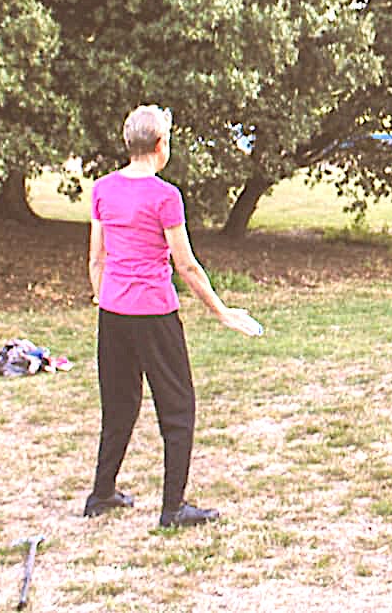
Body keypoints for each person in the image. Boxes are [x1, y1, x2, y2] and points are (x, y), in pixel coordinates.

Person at [84, 105, 264, 527]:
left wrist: (103, 297)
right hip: (153, 314)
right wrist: (221, 311)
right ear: (161, 146)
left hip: (114, 313)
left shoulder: (103, 188)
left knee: (119, 403)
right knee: (178, 406)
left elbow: (97, 258)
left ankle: (101, 493)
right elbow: (187, 266)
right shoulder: (165, 196)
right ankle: (172, 508)